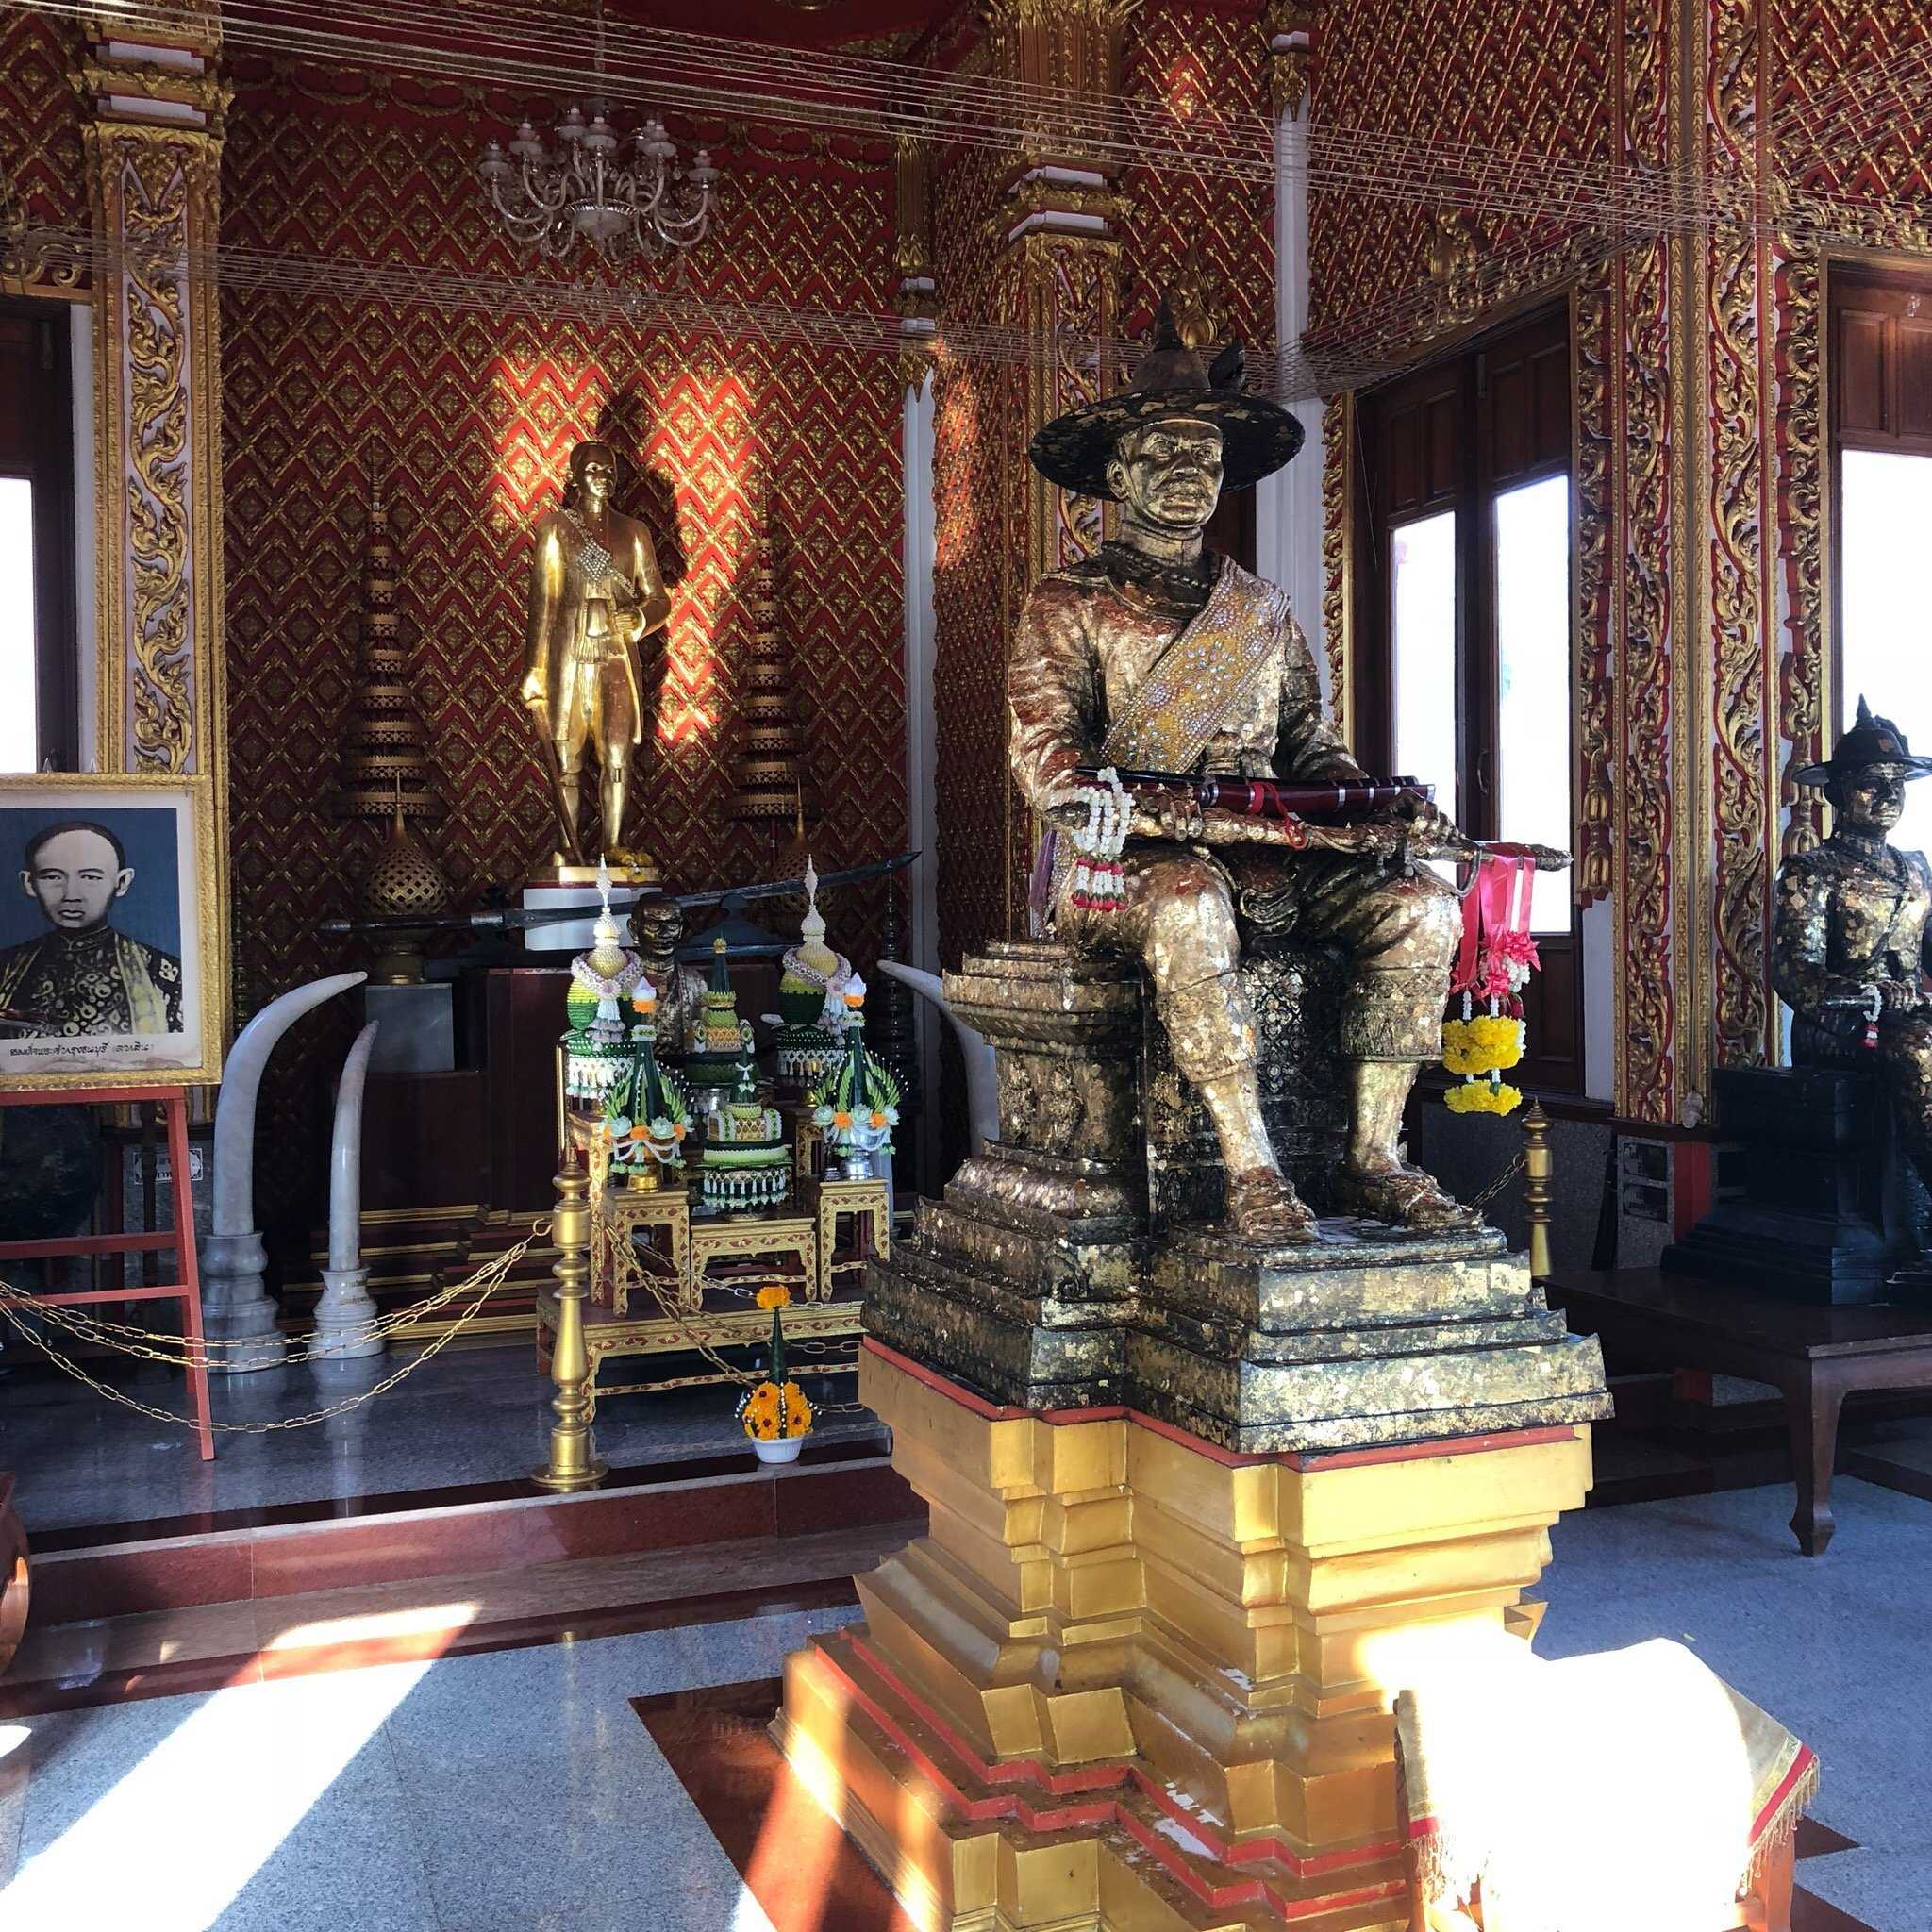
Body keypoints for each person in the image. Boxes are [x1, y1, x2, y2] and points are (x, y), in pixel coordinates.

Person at [1009, 295, 1478, 1243]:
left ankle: (1374, 1154)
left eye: (1205, 457)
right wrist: (1115, 807)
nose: (1189, 475)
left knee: (1422, 904)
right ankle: (1252, 1167)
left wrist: (1375, 814)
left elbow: (1311, 746)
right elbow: (1047, 752)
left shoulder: (1261, 608)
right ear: (1116, 473)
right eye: (1164, 456)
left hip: (1274, 851)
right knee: (1186, 900)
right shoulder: (1069, 600)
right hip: (1128, 864)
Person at [1774, 698, 1932, 1186]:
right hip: (1843, 1025)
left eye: (1896, 783)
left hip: (1911, 1013)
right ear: (1838, 793)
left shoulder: (1917, 868)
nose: (1888, 794)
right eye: (1871, 783)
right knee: (1920, 1050)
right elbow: (1792, 968)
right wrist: (1868, 994)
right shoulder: (1811, 870)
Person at [519, 439, 672, 866]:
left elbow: (659, 598)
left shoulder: (634, 532)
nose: (602, 477)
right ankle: (569, 849)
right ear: (574, 477)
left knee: (617, 755)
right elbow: (544, 603)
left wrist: (639, 618)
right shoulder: (556, 528)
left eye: (609, 470)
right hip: (568, 652)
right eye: (592, 470)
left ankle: (613, 844)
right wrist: (534, 668)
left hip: (616, 654)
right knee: (567, 757)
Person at [0, 821, 182, 1036]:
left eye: (90, 877)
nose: (71, 895)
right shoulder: (6, 967)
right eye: (53, 877)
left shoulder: (165, 975)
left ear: (122, 882)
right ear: (29, 883)